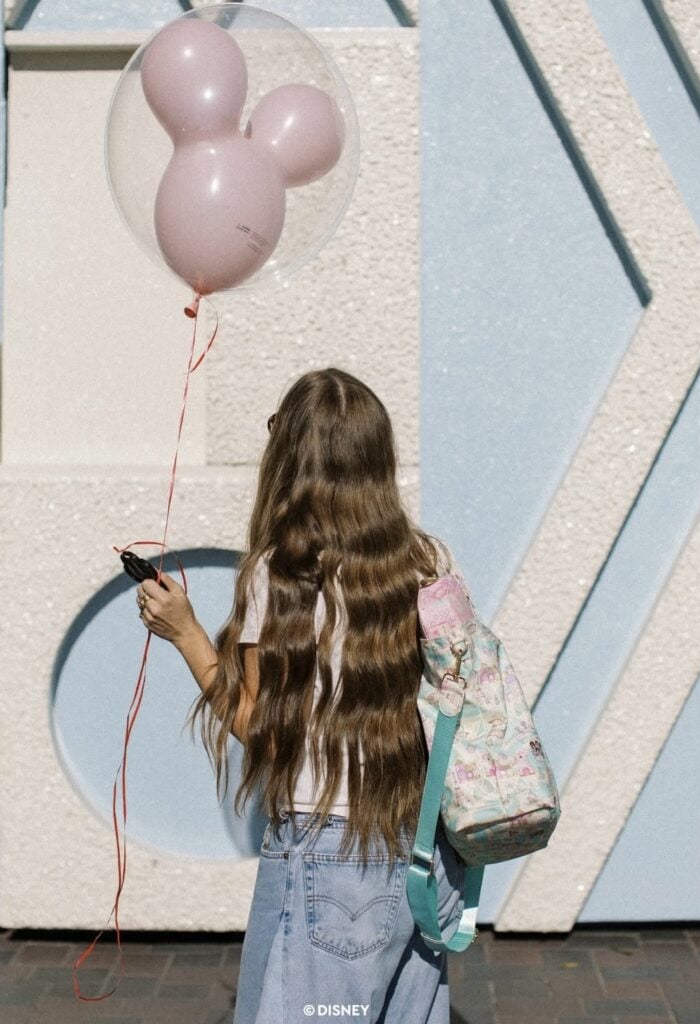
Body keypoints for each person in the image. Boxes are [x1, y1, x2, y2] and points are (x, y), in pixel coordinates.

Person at [135, 367, 469, 1024]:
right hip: (420, 847)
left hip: (325, 852)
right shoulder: (425, 561)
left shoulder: (282, 574)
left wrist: (184, 632)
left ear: (290, 460)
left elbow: (258, 727)